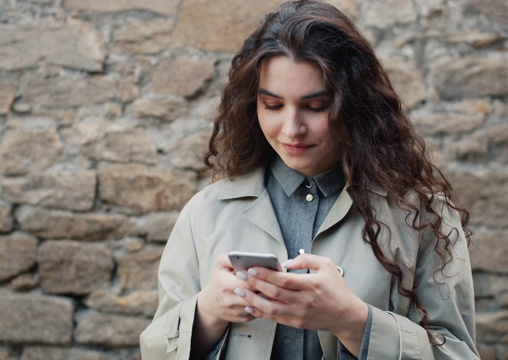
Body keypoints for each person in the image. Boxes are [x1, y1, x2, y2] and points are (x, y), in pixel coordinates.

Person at [140, 1, 479, 359]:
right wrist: (208, 311)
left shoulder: (422, 216)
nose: (292, 129)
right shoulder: (204, 214)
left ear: (354, 103)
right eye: (272, 105)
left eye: (316, 106)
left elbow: (458, 353)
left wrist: (352, 321)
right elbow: (154, 350)